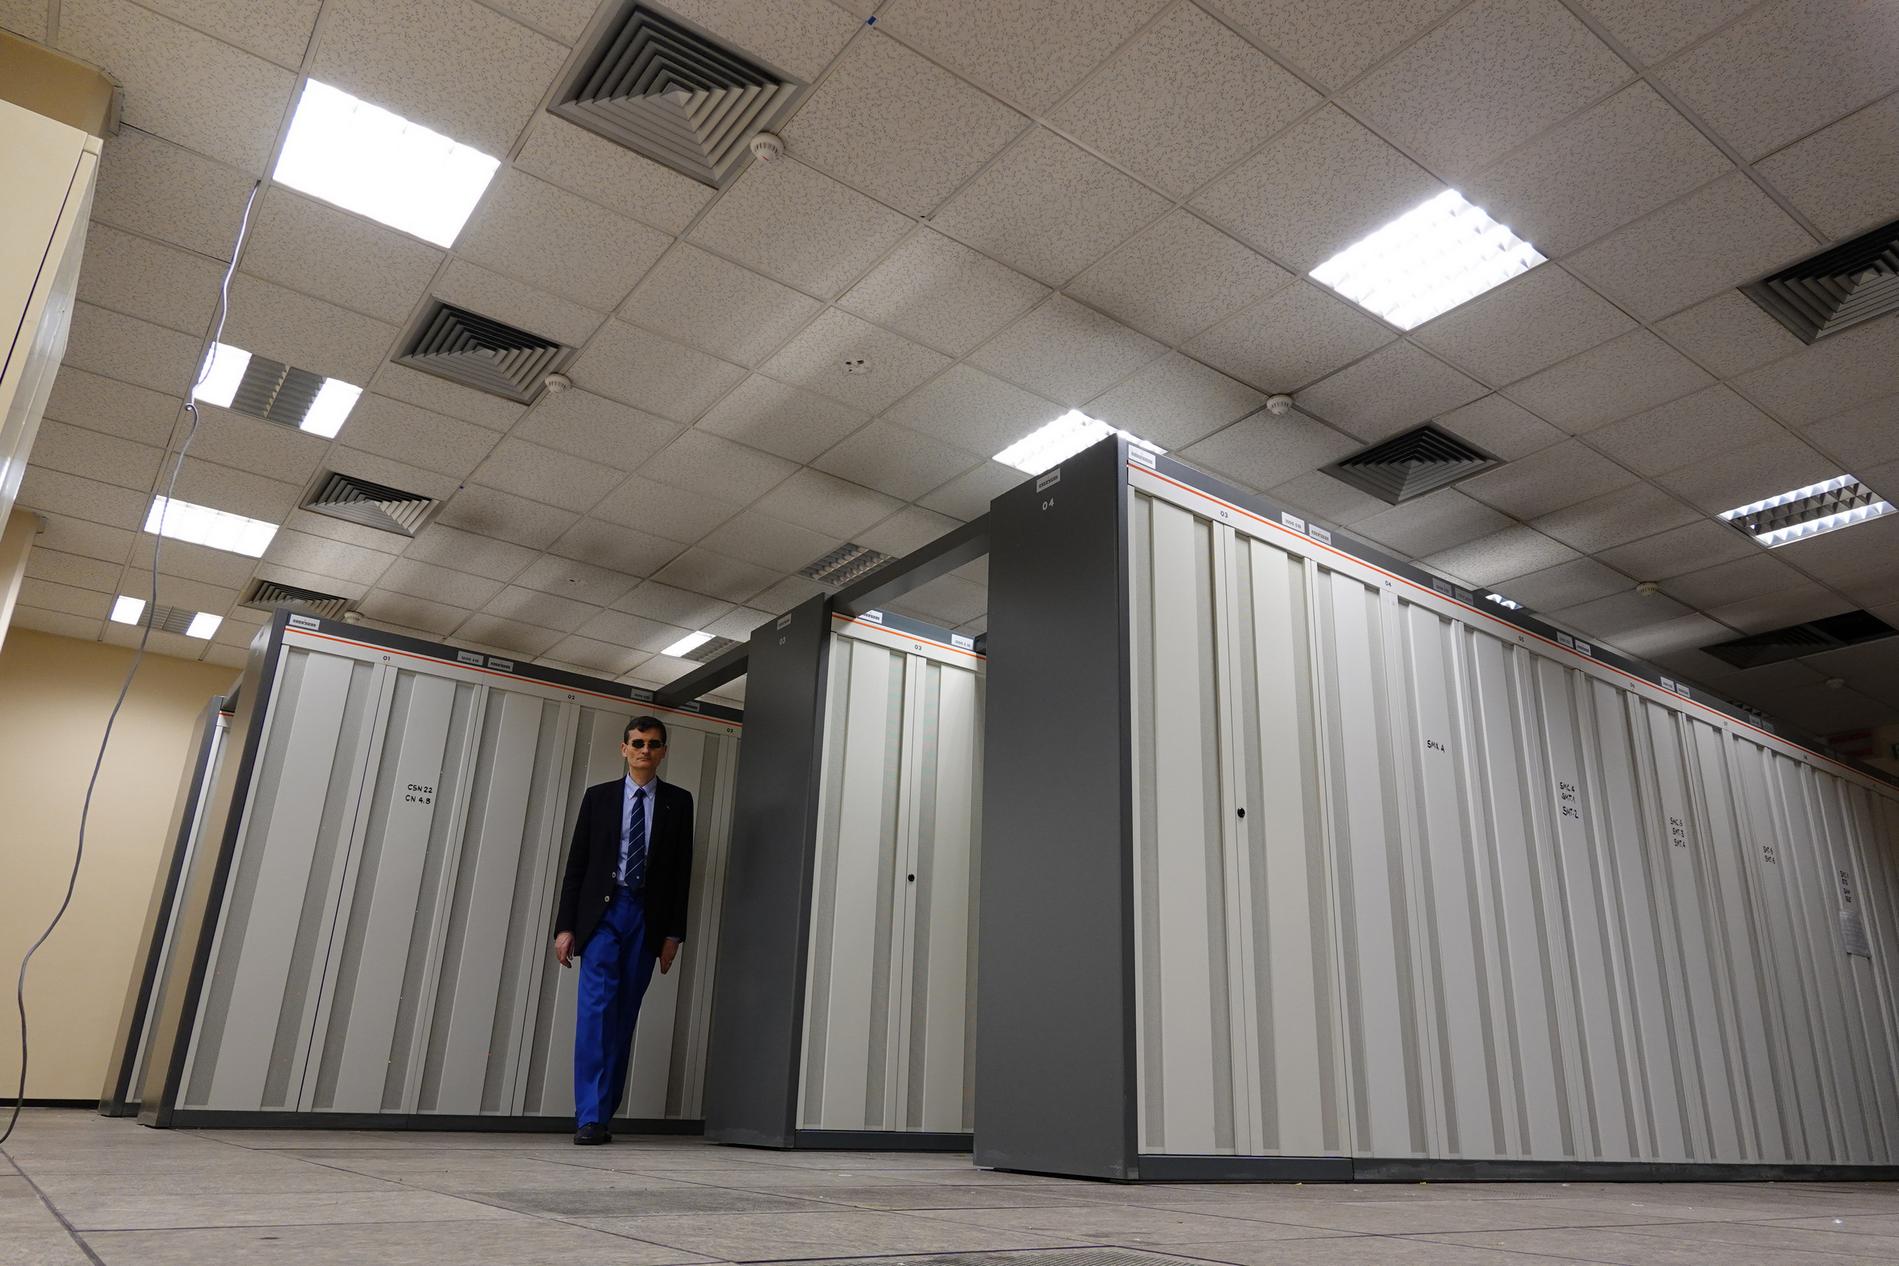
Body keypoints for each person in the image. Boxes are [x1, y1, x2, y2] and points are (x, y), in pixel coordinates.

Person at [553, 715, 691, 1144]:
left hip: (646, 918)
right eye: (638, 743)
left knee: (623, 1015)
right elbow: (577, 865)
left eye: (653, 744)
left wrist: (673, 934)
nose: (645, 750)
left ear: (663, 752)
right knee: (596, 1012)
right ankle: (589, 1117)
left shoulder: (679, 802)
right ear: (624, 748)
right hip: (603, 916)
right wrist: (565, 927)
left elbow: (681, 872)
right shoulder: (599, 798)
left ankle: (603, 1114)